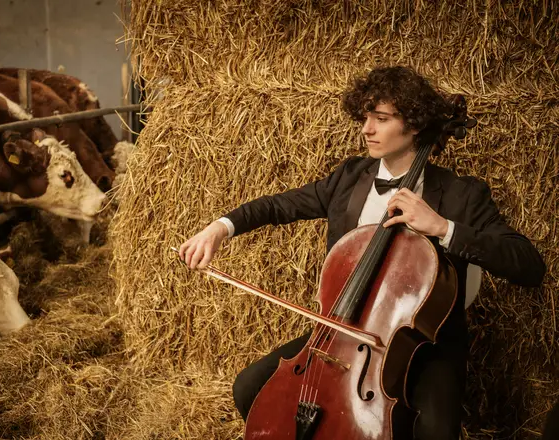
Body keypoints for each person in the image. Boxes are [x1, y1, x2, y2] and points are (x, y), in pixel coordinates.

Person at [178, 66, 546, 439]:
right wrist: (220, 228)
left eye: (381, 119)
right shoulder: (351, 177)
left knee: (434, 433)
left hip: (424, 346)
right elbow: (278, 206)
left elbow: (529, 266)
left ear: (416, 125)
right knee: (249, 388)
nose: (366, 129)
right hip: (342, 332)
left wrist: (442, 228)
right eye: (365, 117)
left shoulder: (461, 195)